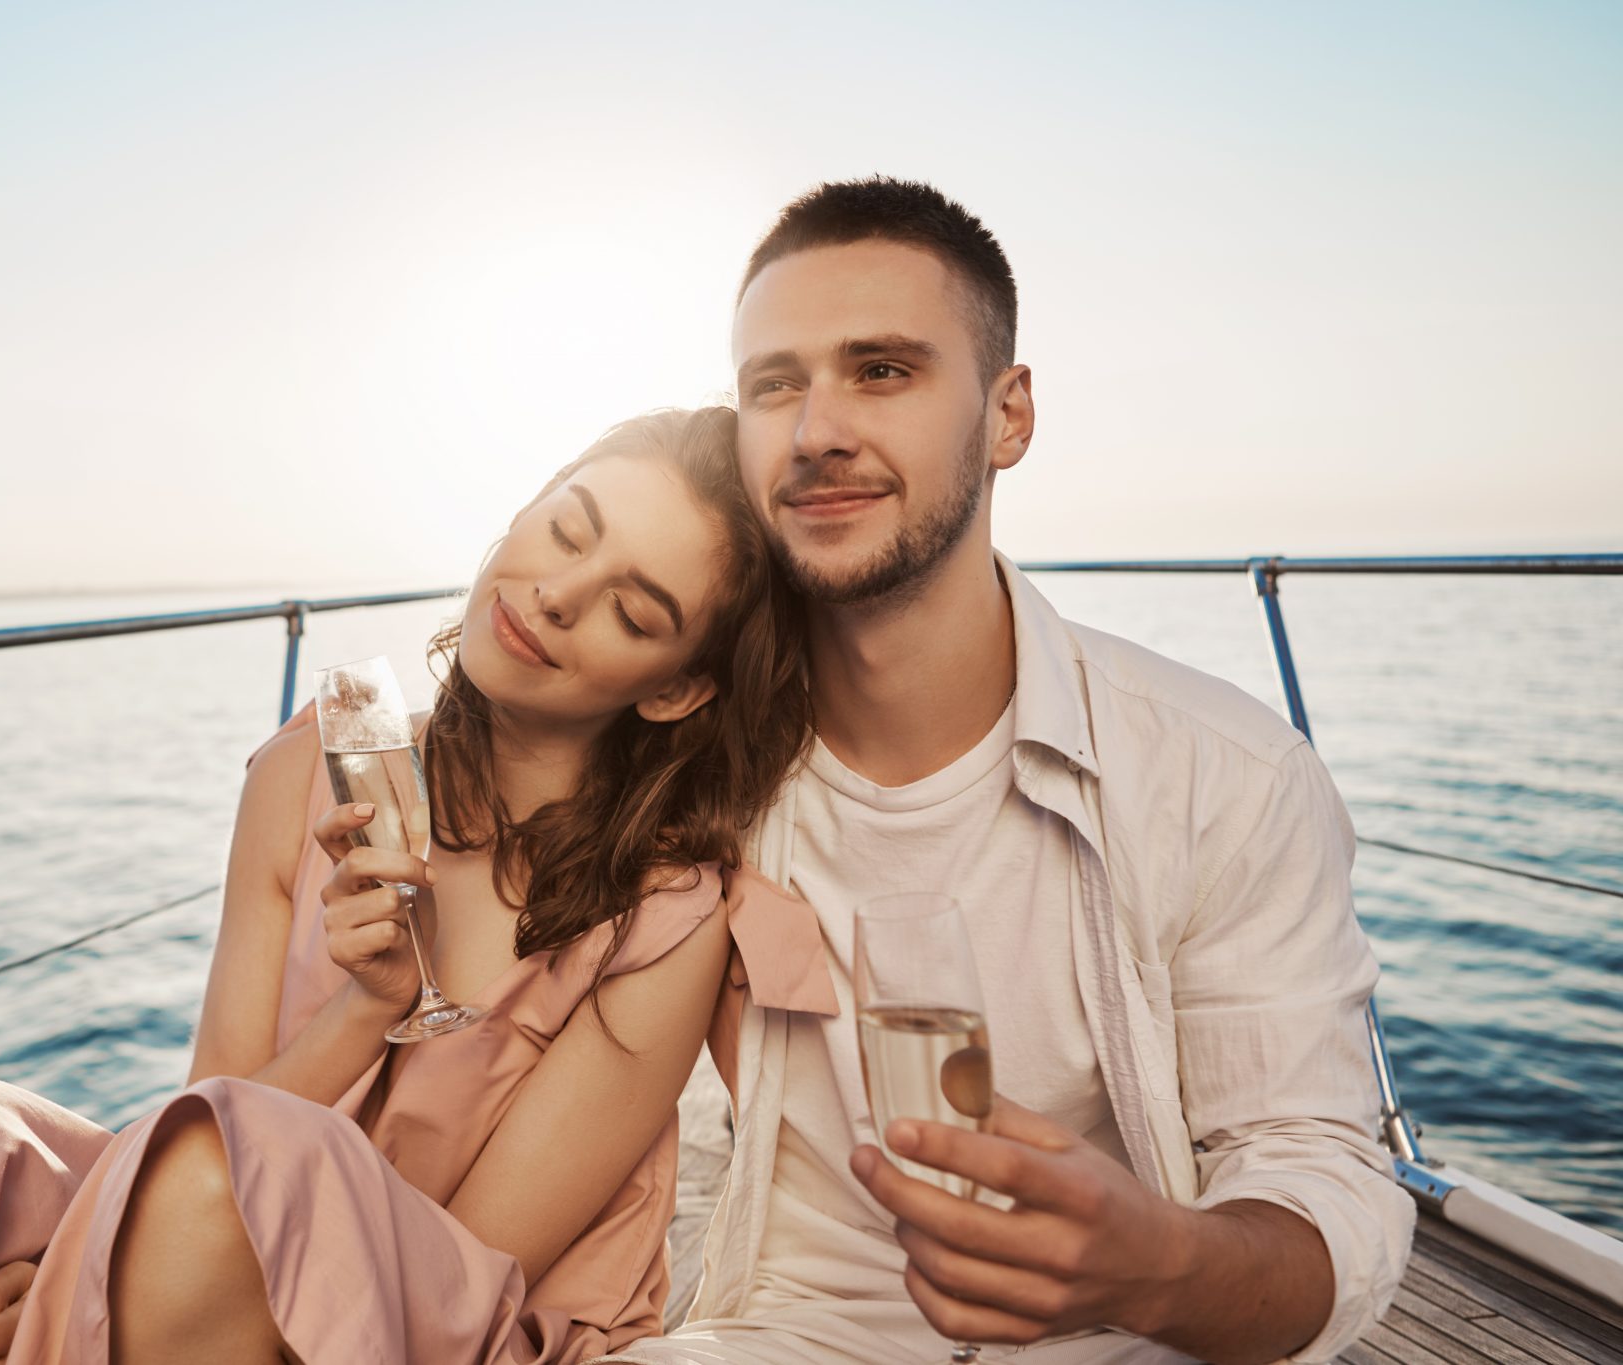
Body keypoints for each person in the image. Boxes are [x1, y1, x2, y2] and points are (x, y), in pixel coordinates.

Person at [0, 405, 818, 1364]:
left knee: (224, 1183)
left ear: (673, 692)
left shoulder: (662, 916)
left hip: (454, 1305)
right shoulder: (309, 767)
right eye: (565, 528)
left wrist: (62, 1292)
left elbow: (480, 1254)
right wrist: (365, 1006)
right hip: (217, 1210)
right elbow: (213, 1106)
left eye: (633, 609)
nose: (560, 592)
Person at [599, 178, 1416, 1365]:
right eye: (773, 384)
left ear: (1009, 415)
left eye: (881, 370)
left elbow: (1316, 1172)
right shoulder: (688, 755)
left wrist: (1165, 1266)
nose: (816, 428)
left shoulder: (1222, 775)